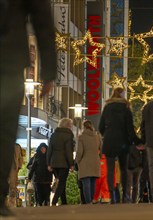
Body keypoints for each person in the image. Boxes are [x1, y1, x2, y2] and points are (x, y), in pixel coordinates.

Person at [0, 0, 56, 216]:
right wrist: (49, 71)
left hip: (11, 62)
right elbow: (42, 20)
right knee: (5, 133)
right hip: (11, 60)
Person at [99, 87, 142, 204]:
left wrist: (106, 135)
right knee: (124, 169)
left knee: (110, 170)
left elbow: (101, 127)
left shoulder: (107, 108)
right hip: (123, 142)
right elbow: (130, 130)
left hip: (109, 142)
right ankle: (125, 196)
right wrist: (137, 141)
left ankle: (112, 195)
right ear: (122, 96)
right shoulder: (126, 109)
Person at [47, 118, 75, 206]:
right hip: (64, 163)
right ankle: (54, 201)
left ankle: (64, 202)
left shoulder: (54, 135)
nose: (71, 127)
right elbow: (68, 151)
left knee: (60, 182)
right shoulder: (68, 135)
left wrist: (48, 163)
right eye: (70, 125)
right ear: (67, 126)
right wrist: (71, 163)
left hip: (54, 163)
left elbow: (50, 150)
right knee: (62, 182)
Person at [76, 120, 102, 204]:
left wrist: (77, 160)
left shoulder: (82, 137)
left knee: (86, 182)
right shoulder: (97, 136)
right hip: (95, 161)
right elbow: (102, 149)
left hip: (85, 162)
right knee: (93, 182)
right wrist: (99, 157)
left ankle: (88, 201)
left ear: (83, 127)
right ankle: (91, 199)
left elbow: (80, 151)